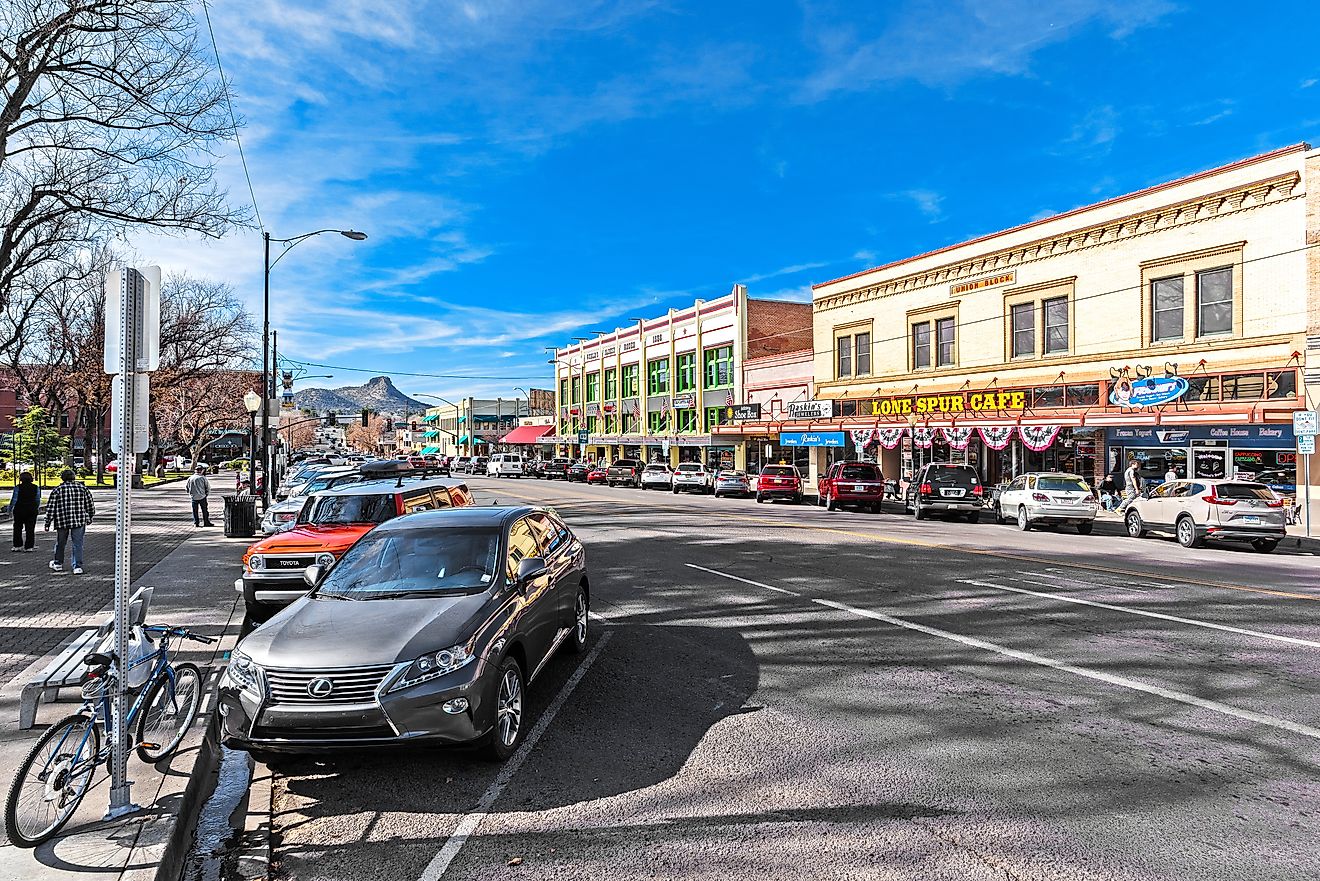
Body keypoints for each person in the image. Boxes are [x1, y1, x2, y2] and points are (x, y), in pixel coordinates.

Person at [44, 469, 95, 574]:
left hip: (62, 520)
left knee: (60, 543)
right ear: (74, 477)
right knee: (77, 544)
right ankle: (77, 566)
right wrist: (90, 516)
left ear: (62, 478)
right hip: (79, 520)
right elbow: (90, 505)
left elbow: (51, 508)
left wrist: (47, 522)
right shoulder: (83, 489)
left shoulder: (57, 490)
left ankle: (58, 563)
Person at [9, 472, 40, 552]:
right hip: (31, 509)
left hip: (19, 509)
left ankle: (17, 545)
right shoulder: (36, 487)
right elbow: (37, 499)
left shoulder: (18, 487)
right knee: (30, 528)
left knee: (17, 528)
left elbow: (14, 499)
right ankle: (29, 547)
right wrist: (36, 507)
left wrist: (10, 509)